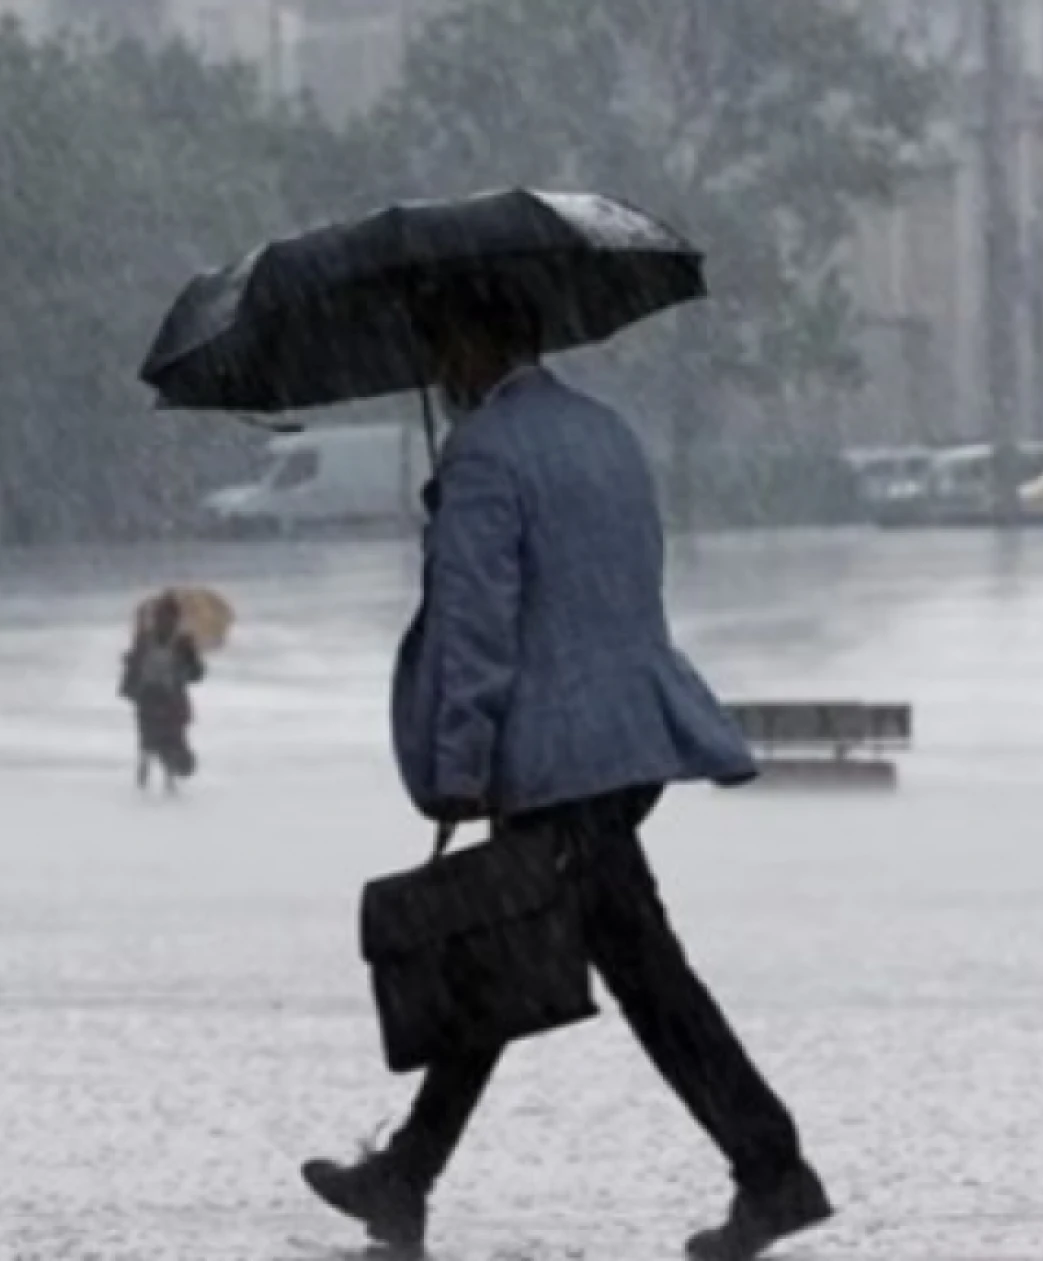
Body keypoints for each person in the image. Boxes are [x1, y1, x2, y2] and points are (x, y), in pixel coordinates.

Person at [300, 284, 831, 1261]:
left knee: (633, 976)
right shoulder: (603, 433)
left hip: (551, 760)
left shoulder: (486, 453)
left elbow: (475, 629)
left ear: (474, 334)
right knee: (505, 955)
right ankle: (405, 1174)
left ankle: (772, 1171)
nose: (434, 371)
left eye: (436, 343)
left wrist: (458, 764)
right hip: (624, 742)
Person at [118, 592, 205, 793]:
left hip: (170, 700)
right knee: (149, 744)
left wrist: (189, 659)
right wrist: (129, 685)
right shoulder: (144, 640)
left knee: (168, 742)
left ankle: (168, 781)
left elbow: (196, 674)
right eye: (161, 617)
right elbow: (133, 666)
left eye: (169, 617)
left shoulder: (182, 643)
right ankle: (145, 785)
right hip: (150, 698)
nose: (165, 621)